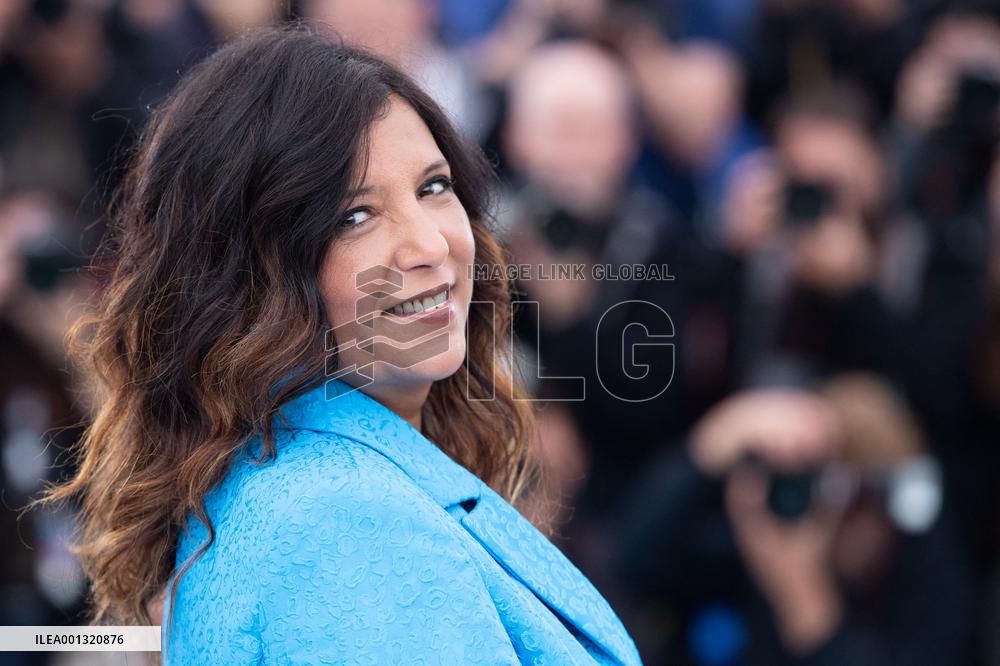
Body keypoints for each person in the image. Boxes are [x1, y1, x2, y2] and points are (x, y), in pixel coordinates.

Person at [31, 25, 642, 665]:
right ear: (255, 274)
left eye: (434, 186)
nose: (431, 246)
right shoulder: (343, 523)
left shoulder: (296, 483)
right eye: (356, 216)